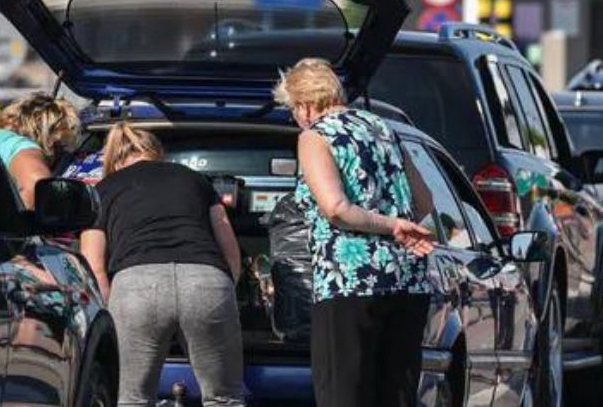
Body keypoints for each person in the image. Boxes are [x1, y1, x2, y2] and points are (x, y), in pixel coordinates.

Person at [273, 57, 435, 407]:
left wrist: (388, 225)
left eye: (292, 110)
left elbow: (335, 208)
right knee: (396, 396)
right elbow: (423, 201)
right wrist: (397, 222)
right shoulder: (383, 128)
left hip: (348, 281)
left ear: (304, 105)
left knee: (343, 394)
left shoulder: (315, 136)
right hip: (407, 279)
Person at [79, 123, 245, 407]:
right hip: (206, 280)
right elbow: (229, 246)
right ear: (158, 153)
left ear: (114, 160)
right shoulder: (195, 179)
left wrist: (110, 312)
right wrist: (228, 288)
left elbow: (93, 264)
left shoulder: (103, 189)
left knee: (132, 399)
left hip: (136, 286)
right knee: (225, 399)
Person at [0, 93, 81, 208]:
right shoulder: (20, 145)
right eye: (60, 147)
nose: (59, 156)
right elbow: (37, 185)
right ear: (49, 136)